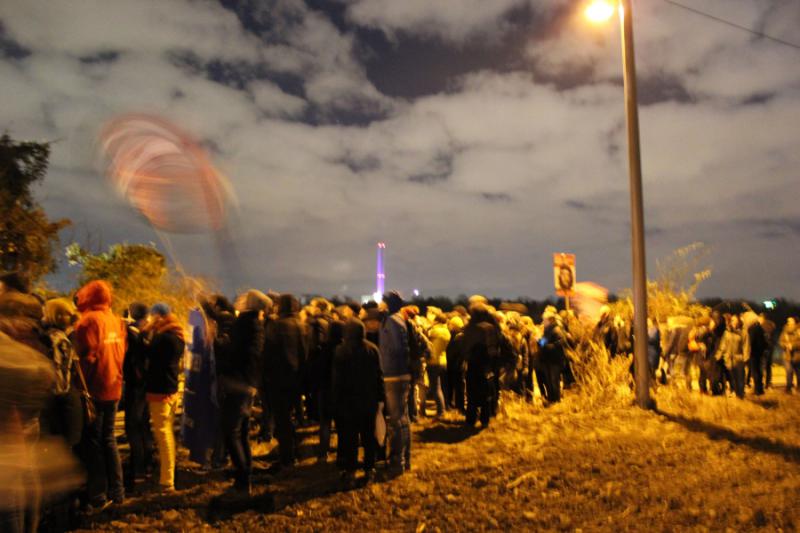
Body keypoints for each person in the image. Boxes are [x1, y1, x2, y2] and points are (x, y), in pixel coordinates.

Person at [73, 280, 127, 511]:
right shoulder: (115, 320)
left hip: (94, 389)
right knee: (109, 440)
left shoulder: (87, 322)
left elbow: (86, 357)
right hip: (114, 386)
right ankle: (118, 491)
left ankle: (98, 495)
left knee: (93, 444)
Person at [220, 290, 270, 494]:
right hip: (249, 383)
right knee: (241, 432)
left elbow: (233, 352)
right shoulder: (256, 326)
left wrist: (217, 344)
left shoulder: (244, 325)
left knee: (231, 432)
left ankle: (242, 479)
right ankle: (246, 472)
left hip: (237, 383)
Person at [332, 318, 385, 486]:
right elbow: (379, 376)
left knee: (350, 438)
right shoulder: (372, 349)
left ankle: (351, 471)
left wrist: (336, 400)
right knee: (369, 437)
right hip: (368, 400)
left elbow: (337, 380)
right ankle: (369, 469)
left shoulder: (341, 351)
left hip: (348, 402)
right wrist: (380, 398)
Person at [143, 303, 185, 493]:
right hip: (171, 388)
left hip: (160, 390)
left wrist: (146, 332)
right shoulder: (176, 334)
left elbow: (148, 354)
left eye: (153, 316)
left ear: (159, 316)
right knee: (167, 433)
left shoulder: (163, 338)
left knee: (163, 435)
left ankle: (167, 481)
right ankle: (169, 475)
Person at [263, 293, 307, 470]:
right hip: (296, 378)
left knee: (282, 419)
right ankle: (293, 453)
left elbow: (268, 352)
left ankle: (286, 458)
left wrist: (265, 375)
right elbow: (304, 353)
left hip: (279, 378)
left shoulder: (276, 325)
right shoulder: (301, 325)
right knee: (289, 417)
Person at [182, 303, 220, 469]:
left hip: (205, 386)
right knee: (205, 420)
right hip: (207, 385)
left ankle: (205, 458)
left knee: (204, 420)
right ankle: (205, 456)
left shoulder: (205, 335)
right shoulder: (208, 332)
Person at [378, 291, 412, 475]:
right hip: (401, 374)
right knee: (403, 419)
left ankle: (397, 462)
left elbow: (397, 348)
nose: (380, 304)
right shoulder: (399, 319)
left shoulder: (391, 321)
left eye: (382, 301)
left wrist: (386, 363)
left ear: (388, 303)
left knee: (396, 421)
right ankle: (406, 459)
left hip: (394, 374)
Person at [122, 302, 153, 492]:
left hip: (136, 385)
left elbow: (131, 361)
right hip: (149, 384)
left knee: (133, 427)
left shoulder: (131, 335)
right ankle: (148, 464)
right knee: (145, 426)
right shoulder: (152, 332)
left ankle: (137, 469)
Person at [538, 307, 567, 404]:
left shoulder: (556, 330)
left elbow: (559, 345)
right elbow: (544, 342)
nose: (543, 322)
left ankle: (556, 400)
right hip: (548, 360)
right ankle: (552, 399)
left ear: (550, 320)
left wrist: (545, 345)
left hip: (555, 360)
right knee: (549, 380)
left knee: (554, 381)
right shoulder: (548, 330)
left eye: (544, 320)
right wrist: (539, 341)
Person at [425, 313, 450, 417]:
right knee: (440, 387)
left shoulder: (434, 331)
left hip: (433, 362)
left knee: (435, 388)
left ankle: (441, 411)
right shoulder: (447, 331)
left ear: (437, 321)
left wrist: (430, 325)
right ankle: (443, 408)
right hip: (443, 361)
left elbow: (425, 337)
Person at [717, 315, 746, 399]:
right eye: (732, 320)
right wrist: (718, 355)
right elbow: (723, 345)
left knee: (740, 378)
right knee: (732, 378)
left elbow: (746, 346)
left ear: (739, 322)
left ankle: (740, 396)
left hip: (739, 358)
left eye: (736, 320)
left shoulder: (743, 332)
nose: (734, 322)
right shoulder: (727, 332)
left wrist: (745, 358)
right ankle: (735, 393)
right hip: (728, 358)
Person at [780, 318, 800, 393]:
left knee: (798, 372)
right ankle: (789, 387)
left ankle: (799, 387)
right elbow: (781, 341)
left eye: (790, 321)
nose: (788, 322)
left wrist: (793, 345)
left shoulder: (798, 331)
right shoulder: (784, 330)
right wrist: (785, 345)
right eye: (788, 321)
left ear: (795, 322)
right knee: (789, 371)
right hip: (787, 355)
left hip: (797, 356)